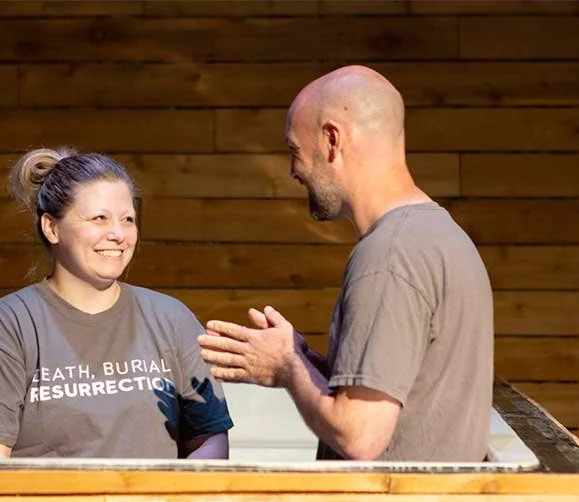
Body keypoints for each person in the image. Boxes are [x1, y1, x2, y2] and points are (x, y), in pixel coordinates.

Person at [197, 65, 493, 462]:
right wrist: (304, 359)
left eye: (294, 152)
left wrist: (288, 368)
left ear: (332, 140)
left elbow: (359, 436)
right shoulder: (439, 235)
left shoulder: (390, 255)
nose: (292, 172)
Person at [0, 148, 233, 458]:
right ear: (51, 228)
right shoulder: (8, 324)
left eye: (128, 219)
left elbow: (210, 441)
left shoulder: (171, 318)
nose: (118, 234)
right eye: (100, 218)